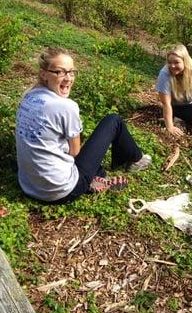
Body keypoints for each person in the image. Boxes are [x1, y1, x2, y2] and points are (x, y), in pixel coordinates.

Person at [15, 47, 151, 204]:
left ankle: (97, 174)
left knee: (88, 155)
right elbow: (75, 152)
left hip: (29, 185)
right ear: (43, 74)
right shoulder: (65, 106)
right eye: (60, 72)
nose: (68, 78)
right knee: (114, 121)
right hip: (62, 191)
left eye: (71, 72)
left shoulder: (29, 96)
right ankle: (136, 160)